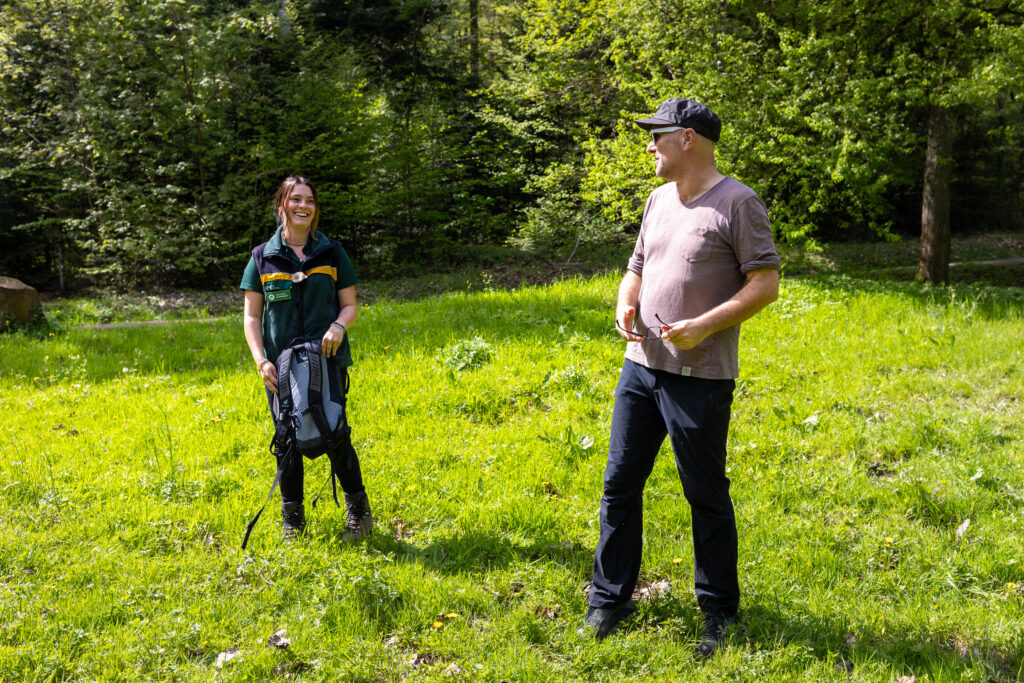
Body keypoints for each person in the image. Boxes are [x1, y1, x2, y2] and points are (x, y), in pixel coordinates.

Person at [581, 99, 780, 656]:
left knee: (704, 493)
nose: (649, 145)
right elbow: (637, 266)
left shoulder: (739, 203)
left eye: (656, 135)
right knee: (620, 484)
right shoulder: (658, 199)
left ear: (687, 139)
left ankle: (719, 612)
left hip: (701, 376)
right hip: (641, 368)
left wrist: (703, 327)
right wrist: (626, 303)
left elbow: (765, 284)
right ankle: (608, 598)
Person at [240, 175, 372, 542]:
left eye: (310, 200)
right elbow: (251, 316)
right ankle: (293, 521)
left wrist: (338, 327)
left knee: (335, 434)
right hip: (279, 369)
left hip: (325, 362)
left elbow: (349, 306)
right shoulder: (261, 257)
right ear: (282, 205)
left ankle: (359, 512)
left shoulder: (332, 253)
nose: (303, 206)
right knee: (287, 438)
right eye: (295, 199)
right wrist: (260, 360)